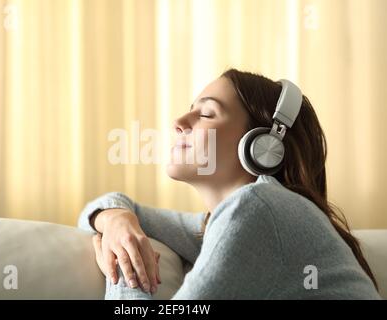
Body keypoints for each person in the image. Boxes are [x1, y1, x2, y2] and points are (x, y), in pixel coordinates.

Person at [78, 68, 381, 299]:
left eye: (207, 113)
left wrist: (121, 269)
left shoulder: (258, 209)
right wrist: (116, 222)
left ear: (263, 146)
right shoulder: (240, 216)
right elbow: (104, 207)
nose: (179, 122)